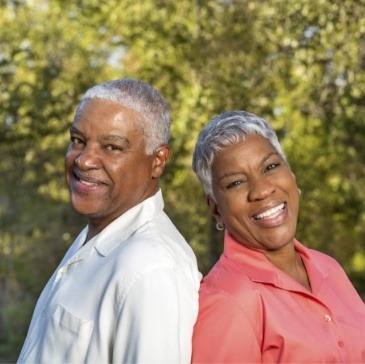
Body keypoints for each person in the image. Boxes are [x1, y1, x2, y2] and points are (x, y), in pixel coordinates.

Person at [18, 78, 202, 364]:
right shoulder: (98, 235)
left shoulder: (152, 268)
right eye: (78, 141)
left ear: (158, 161)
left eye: (112, 147)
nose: (84, 160)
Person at [191, 110, 365, 363]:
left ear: (291, 175)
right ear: (216, 208)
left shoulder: (328, 267)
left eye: (270, 167)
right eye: (236, 183)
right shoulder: (228, 301)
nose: (262, 190)